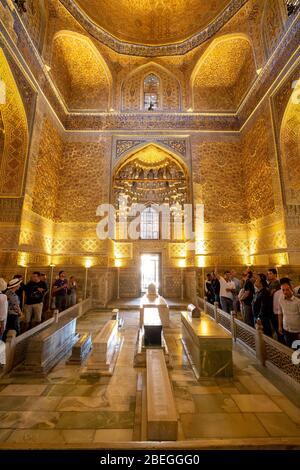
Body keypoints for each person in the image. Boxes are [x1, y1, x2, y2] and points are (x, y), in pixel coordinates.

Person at [278, 278, 300, 348]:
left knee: (297, 350)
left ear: (291, 289)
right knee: (289, 348)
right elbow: (280, 313)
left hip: (297, 331)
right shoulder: (281, 299)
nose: (285, 292)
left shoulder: (298, 302)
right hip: (286, 329)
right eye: (283, 290)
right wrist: (279, 326)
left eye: (287, 289)